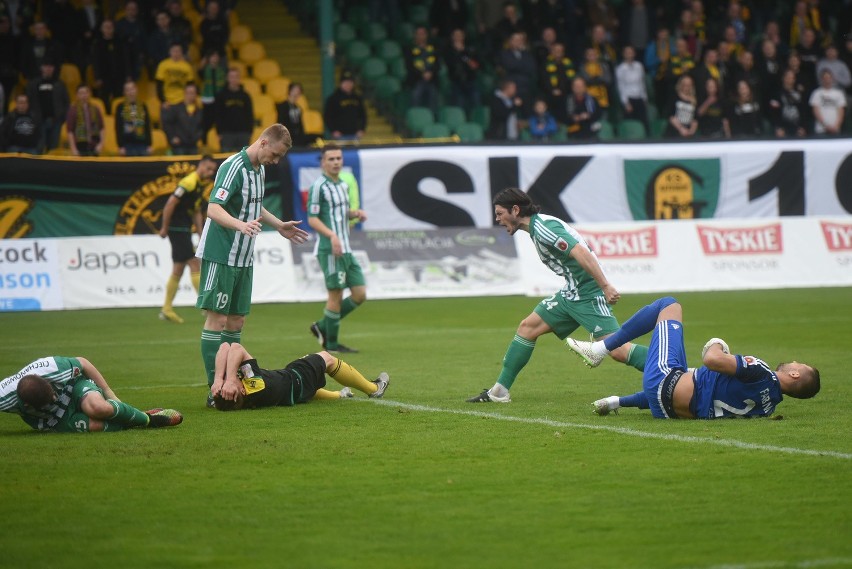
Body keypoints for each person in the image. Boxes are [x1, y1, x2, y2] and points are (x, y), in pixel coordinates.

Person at [466, 188, 648, 404]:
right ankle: (499, 392)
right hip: (572, 292)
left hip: (588, 294)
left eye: (499, 213)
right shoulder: (537, 228)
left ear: (515, 210)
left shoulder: (543, 228)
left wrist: (605, 286)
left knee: (618, 350)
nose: (498, 219)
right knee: (527, 328)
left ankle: (675, 370)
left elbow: (581, 252)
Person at [195, 124, 309, 406]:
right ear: (263, 142)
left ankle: (230, 380)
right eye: (276, 154)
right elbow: (213, 208)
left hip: (243, 256)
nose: (277, 160)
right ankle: (215, 388)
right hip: (221, 252)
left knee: (236, 320)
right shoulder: (233, 166)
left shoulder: (260, 169)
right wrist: (240, 225)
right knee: (217, 319)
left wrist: (279, 224)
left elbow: (254, 206)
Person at [566, 297, 820, 419]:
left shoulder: (763, 371)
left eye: (799, 364)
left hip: (665, 380)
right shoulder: (768, 407)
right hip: (667, 411)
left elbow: (712, 359)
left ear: (795, 374)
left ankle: (598, 350)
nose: (795, 361)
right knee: (690, 376)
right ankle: (613, 401)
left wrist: (718, 343)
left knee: (669, 305)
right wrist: (617, 402)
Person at [1, 356, 183, 432]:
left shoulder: (54, 368)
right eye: (50, 400)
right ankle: (132, 423)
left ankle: (149, 420)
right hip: (54, 420)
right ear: (26, 406)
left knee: (98, 407)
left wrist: (110, 393)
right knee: (96, 426)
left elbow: (83, 362)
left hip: (74, 388)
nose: (55, 398)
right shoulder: (4, 397)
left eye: (52, 393)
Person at [307, 144, 368, 354]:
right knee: (336, 295)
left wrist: (355, 213)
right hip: (330, 248)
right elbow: (312, 219)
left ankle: (323, 326)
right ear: (323, 162)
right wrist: (332, 236)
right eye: (331, 159)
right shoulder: (318, 186)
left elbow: (342, 213)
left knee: (360, 294)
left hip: (346, 247)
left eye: (339, 158)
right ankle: (331, 345)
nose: (336, 162)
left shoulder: (343, 185)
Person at [210, 342, 389, 411]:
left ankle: (340, 394)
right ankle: (374, 389)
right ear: (240, 390)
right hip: (296, 379)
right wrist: (228, 378)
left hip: (294, 391)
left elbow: (224, 347)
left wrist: (220, 380)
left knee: (310, 389)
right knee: (326, 358)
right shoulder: (254, 387)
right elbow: (235, 347)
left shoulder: (241, 394)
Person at [158, 154, 217, 323]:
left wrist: (200, 234)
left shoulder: (199, 185)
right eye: (208, 168)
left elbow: (197, 212)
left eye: (213, 170)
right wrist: (164, 227)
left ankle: (166, 309)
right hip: (177, 229)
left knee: (178, 268)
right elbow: (170, 203)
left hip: (183, 229)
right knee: (193, 263)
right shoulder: (189, 182)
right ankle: (206, 305)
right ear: (201, 165)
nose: (210, 172)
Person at [209, 67, 254, 151]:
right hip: (226, 134)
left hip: (243, 133)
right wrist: (219, 132)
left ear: (239, 78)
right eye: (231, 77)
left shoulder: (245, 96)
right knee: (227, 160)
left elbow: (250, 115)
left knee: (242, 160)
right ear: (228, 78)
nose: (234, 79)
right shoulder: (221, 95)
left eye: (236, 77)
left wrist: (249, 132)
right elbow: (217, 115)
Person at [615, 45, 650, 136]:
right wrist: (626, 103)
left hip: (639, 98)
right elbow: (621, 86)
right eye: (627, 53)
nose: (629, 54)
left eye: (631, 52)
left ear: (634, 54)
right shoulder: (620, 69)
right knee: (630, 122)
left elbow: (642, 83)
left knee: (644, 122)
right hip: (629, 99)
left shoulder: (639, 66)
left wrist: (644, 98)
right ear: (624, 54)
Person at [161, 82, 204, 155]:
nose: (190, 95)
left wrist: (197, 136)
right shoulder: (176, 109)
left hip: (193, 145)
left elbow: (202, 126)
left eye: (192, 93)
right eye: (188, 93)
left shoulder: (199, 111)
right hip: (179, 146)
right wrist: (172, 137)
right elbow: (167, 124)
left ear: (196, 95)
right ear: (184, 93)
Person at [322, 70, 366, 140]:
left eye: (350, 82)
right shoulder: (333, 98)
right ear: (341, 83)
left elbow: (363, 116)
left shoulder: (357, 98)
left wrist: (362, 129)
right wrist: (333, 130)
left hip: (355, 134)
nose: (348, 84)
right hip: (339, 135)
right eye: (345, 82)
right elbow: (327, 116)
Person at [114, 80, 152, 156]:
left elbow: (147, 125)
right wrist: (120, 146)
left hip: (142, 144)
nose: (130, 92)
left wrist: (149, 144)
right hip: (127, 145)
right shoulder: (120, 107)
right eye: (127, 90)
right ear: (124, 92)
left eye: (132, 89)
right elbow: (118, 127)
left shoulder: (143, 106)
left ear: (136, 90)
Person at [66, 85, 105, 156]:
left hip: (94, 146)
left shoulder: (95, 109)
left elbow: (101, 128)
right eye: (81, 93)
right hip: (79, 147)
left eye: (85, 93)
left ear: (89, 94)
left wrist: (101, 144)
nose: (83, 95)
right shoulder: (73, 110)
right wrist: (73, 149)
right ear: (77, 95)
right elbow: (70, 131)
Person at [155, 42, 195, 108]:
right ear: (170, 52)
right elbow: (159, 85)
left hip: (182, 101)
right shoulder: (163, 65)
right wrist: (163, 101)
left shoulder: (187, 66)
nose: (176, 53)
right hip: (167, 102)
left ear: (182, 52)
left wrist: (188, 100)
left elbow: (190, 85)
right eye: (174, 51)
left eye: (178, 51)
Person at [810, 69, 846, 136]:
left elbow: (841, 111)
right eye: (825, 78)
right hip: (820, 129)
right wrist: (826, 125)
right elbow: (815, 111)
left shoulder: (839, 93)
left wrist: (837, 126)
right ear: (821, 79)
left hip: (836, 129)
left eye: (829, 78)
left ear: (832, 79)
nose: (827, 80)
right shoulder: (816, 93)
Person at [275, 81, 308, 146]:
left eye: (299, 90)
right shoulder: (282, 106)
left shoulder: (298, 108)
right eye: (295, 89)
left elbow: (300, 125)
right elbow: (280, 122)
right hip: (287, 137)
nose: (297, 92)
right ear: (290, 91)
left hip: (297, 137)